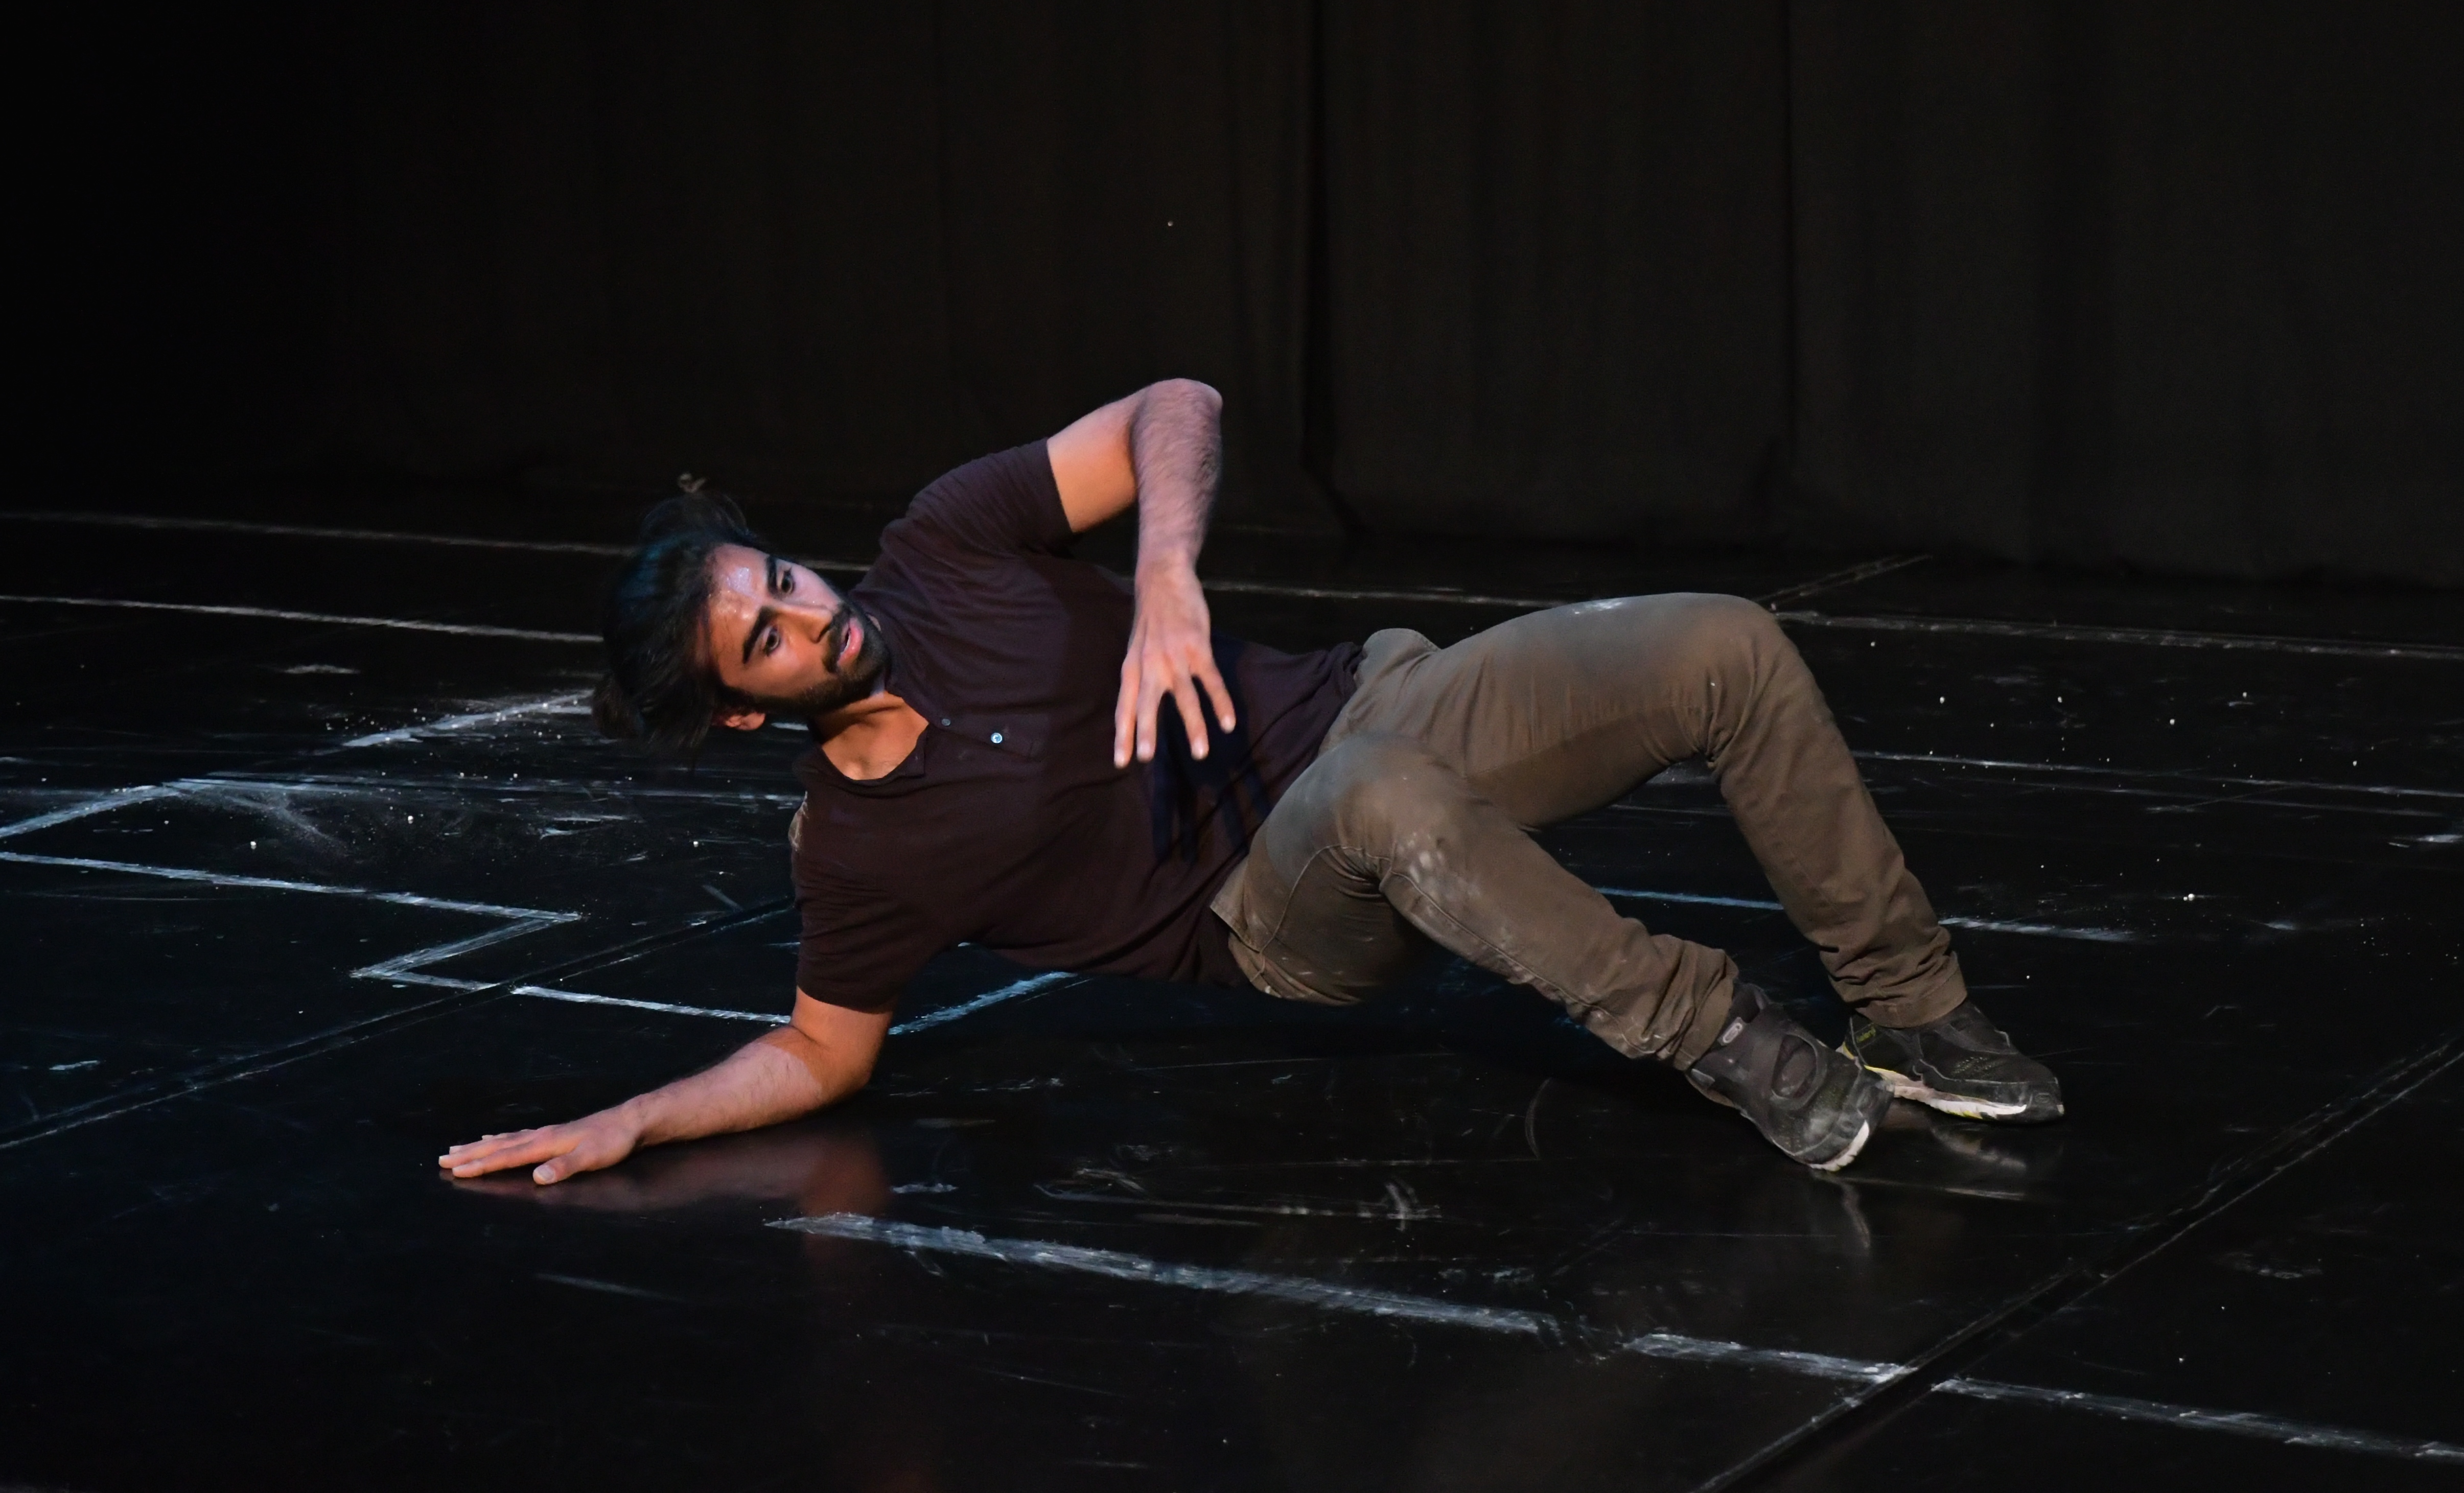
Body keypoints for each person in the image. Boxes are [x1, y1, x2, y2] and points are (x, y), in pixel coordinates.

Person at [440, 380, 2060, 1188]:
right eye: (768, 641)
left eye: (781, 577)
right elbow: (817, 1055)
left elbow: (1177, 407)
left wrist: (1162, 577)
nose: (810, 611)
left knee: (1727, 643)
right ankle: (1724, 1039)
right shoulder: (864, 856)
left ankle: (1911, 1006)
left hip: (1383, 698)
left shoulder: (944, 540)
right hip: (1284, 910)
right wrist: (633, 1120)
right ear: (744, 716)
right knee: (1379, 805)